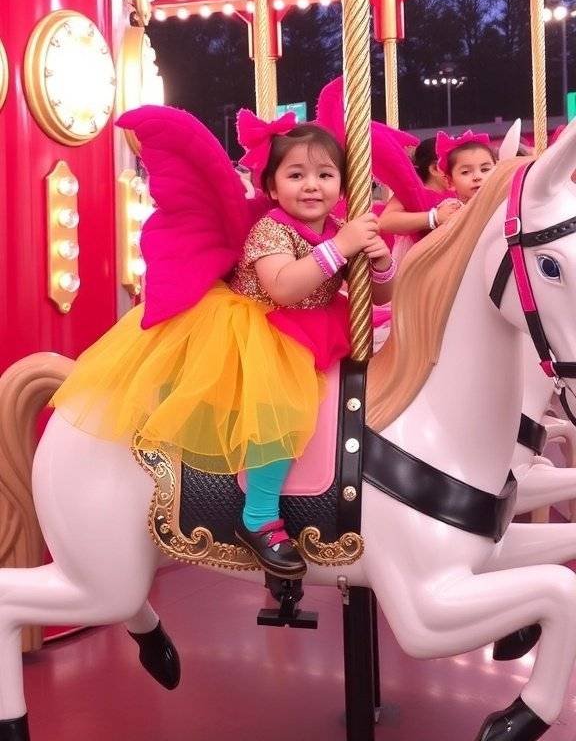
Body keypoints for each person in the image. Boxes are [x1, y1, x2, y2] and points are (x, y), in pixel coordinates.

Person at [52, 108, 394, 579]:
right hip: (260, 329)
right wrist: (342, 248)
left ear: (342, 184)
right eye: (296, 175)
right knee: (280, 408)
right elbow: (283, 288)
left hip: (314, 326)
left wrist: (380, 264)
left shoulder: (338, 228)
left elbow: (379, 298)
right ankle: (259, 518)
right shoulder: (272, 229)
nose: (312, 186)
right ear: (271, 186)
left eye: (324, 175)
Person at [378, 136, 460, 240]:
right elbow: (384, 222)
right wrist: (434, 217)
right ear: (435, 168)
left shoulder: (459, 191)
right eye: (464, 170)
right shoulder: (412, 191)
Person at [436, 129, 498, 204]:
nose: (477, 177)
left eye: (485, 169)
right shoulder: (450, 209)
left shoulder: (507, 203)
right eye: (465, 172)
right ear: (450, 181)